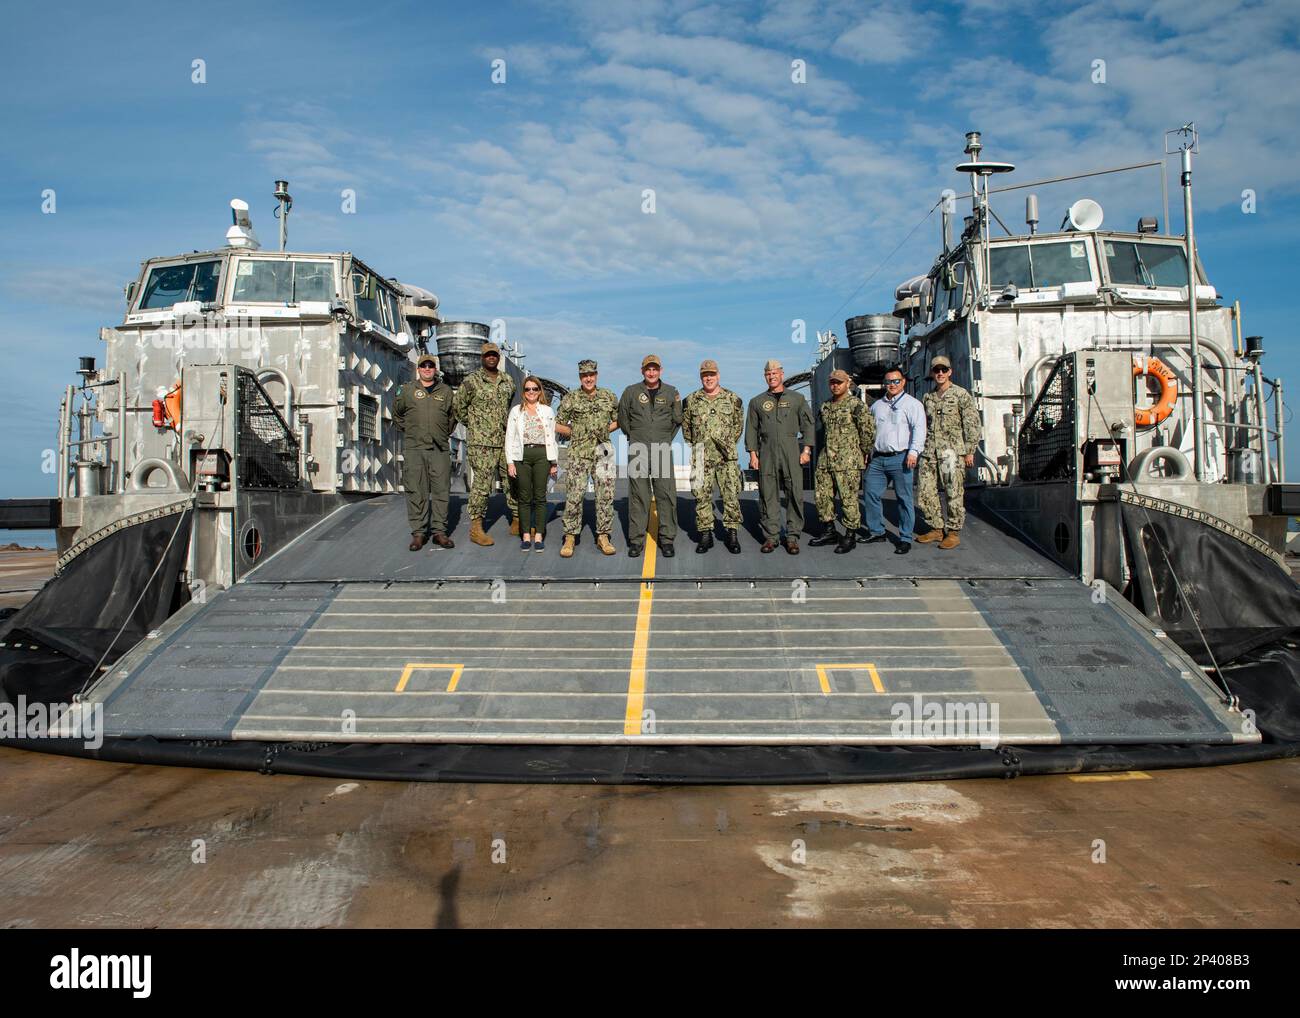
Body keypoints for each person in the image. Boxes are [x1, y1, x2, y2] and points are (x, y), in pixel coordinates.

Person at [745, 359, 813, 554]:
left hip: (791, 450)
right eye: (768, 374)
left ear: (782, 374)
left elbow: (808, 425)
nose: (771, 376)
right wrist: (753, 454)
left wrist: (806, 450)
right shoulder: (757, 402)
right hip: (766, 452)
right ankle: (771, 537)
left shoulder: (797, 399)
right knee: (767, 495)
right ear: (765, 376)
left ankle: (792, 537)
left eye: (775, 373)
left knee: (795, 494)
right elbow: (751, 429)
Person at [617, 354, 682, 558]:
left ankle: (667, 539)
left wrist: (663, 438)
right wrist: (635, 436)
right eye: (648, 369)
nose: (651, 372)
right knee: (638, 496)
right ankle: (636, 541)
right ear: (642, 371)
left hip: (662, 449)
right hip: (638, 450)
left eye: (655, 369)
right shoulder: (630, 392)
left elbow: (677, 420)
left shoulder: (671, 392)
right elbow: (622, 418)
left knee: (666, 494)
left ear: (660, 370)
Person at [453, 341, 517, 547]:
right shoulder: (471, 381)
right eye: (488, 355)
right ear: (482, 357)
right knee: (481, 485)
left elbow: (508, 407)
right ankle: (476, 527)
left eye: (494, 355)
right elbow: (459, 408)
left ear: (498, 357)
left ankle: (517, 520)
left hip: (504, 441)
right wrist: (475, 425)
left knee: (512, 480)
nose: (491, 357)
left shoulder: (508, 381)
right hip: (481, 443)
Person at [916, 356, 983, 550]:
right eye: (936, 370)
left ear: (950, 372)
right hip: (930, 452)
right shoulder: (928, 398)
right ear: (932, 373)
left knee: (953, 491)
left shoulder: (961, 395)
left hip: (950, 453)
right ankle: (936, 528)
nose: (940, 373)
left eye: (943, 370)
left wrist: (970, 451)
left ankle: (953, 531)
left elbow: (972, 424)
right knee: (926, 491)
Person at [554, 360, 619, 558]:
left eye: (591, 374)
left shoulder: (608, 396)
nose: (588, 378)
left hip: (603, 451)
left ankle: (603, 535)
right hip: (578, 453)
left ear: (596, 375)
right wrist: (576, 433)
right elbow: (557, 424)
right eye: (584, 375)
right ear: (579, 377)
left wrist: (603, 430)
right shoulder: (571, 398)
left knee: (605, 496)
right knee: (574, 495)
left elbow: (619, 420)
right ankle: (570, 537)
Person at [393, 353, 457, 551]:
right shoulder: (407, 390)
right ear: (418, 369)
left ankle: (439, 532)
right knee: (416, 491)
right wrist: (413, 431)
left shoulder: (445, 391)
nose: (427, 369)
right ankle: (419, 533)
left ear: (435, 369)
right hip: (415, 448)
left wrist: (440, 433)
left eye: (430, 366)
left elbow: (451, 418)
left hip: (439, 448)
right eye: (424, 366)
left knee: (441, 491)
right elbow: (397, 414)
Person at [681, 359, 744, 554]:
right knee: (701, 496)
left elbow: (737, 428)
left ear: (718, 376)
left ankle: (732, 533)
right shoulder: (691, 401)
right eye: (705, 375)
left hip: (726, 456)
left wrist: (724, 443)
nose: (708, 378)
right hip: (701, 456)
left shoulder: (733, 399)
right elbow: (687, 430)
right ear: (701, 377)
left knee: (731, 494)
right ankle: (705, 534)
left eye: (711, 374)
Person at [862, 365, 926, 555]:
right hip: (878, 458)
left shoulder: (913, 404)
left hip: (901, 458)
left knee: (904, 498)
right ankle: (877, 531)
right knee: (870, 493)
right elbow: (870, 430)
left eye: (896, 381)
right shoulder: (877, 406)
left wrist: (914, 452)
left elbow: (919, 430)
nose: (892, 384)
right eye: (889, 381)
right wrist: (867, 450)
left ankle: (905, 537)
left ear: (903, 382)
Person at [810, 369, 875, 554]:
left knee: (848, 499)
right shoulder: (825, 406)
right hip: (826, 459)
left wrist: (863, 451)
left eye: (839, 382)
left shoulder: (856, 405)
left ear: (848, 383)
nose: (835, 385)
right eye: (832, 382)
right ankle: (829, 530)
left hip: (848, 460)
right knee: (822, 496)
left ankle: (850, 534)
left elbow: (868, 431)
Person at [505, 376, 558, 551]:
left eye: (535, 389)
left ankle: (539, 535)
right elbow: (510, 437)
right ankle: (526, 535)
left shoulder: (547, 411)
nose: (531, 392)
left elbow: (552, 437)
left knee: (540, 497)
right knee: (524, 497)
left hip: (542, 455)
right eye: (528, 389)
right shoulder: (516, 411)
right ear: (524, 391)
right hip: (522, 456)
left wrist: (554, 462)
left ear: (539, 391)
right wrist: (510, 462)